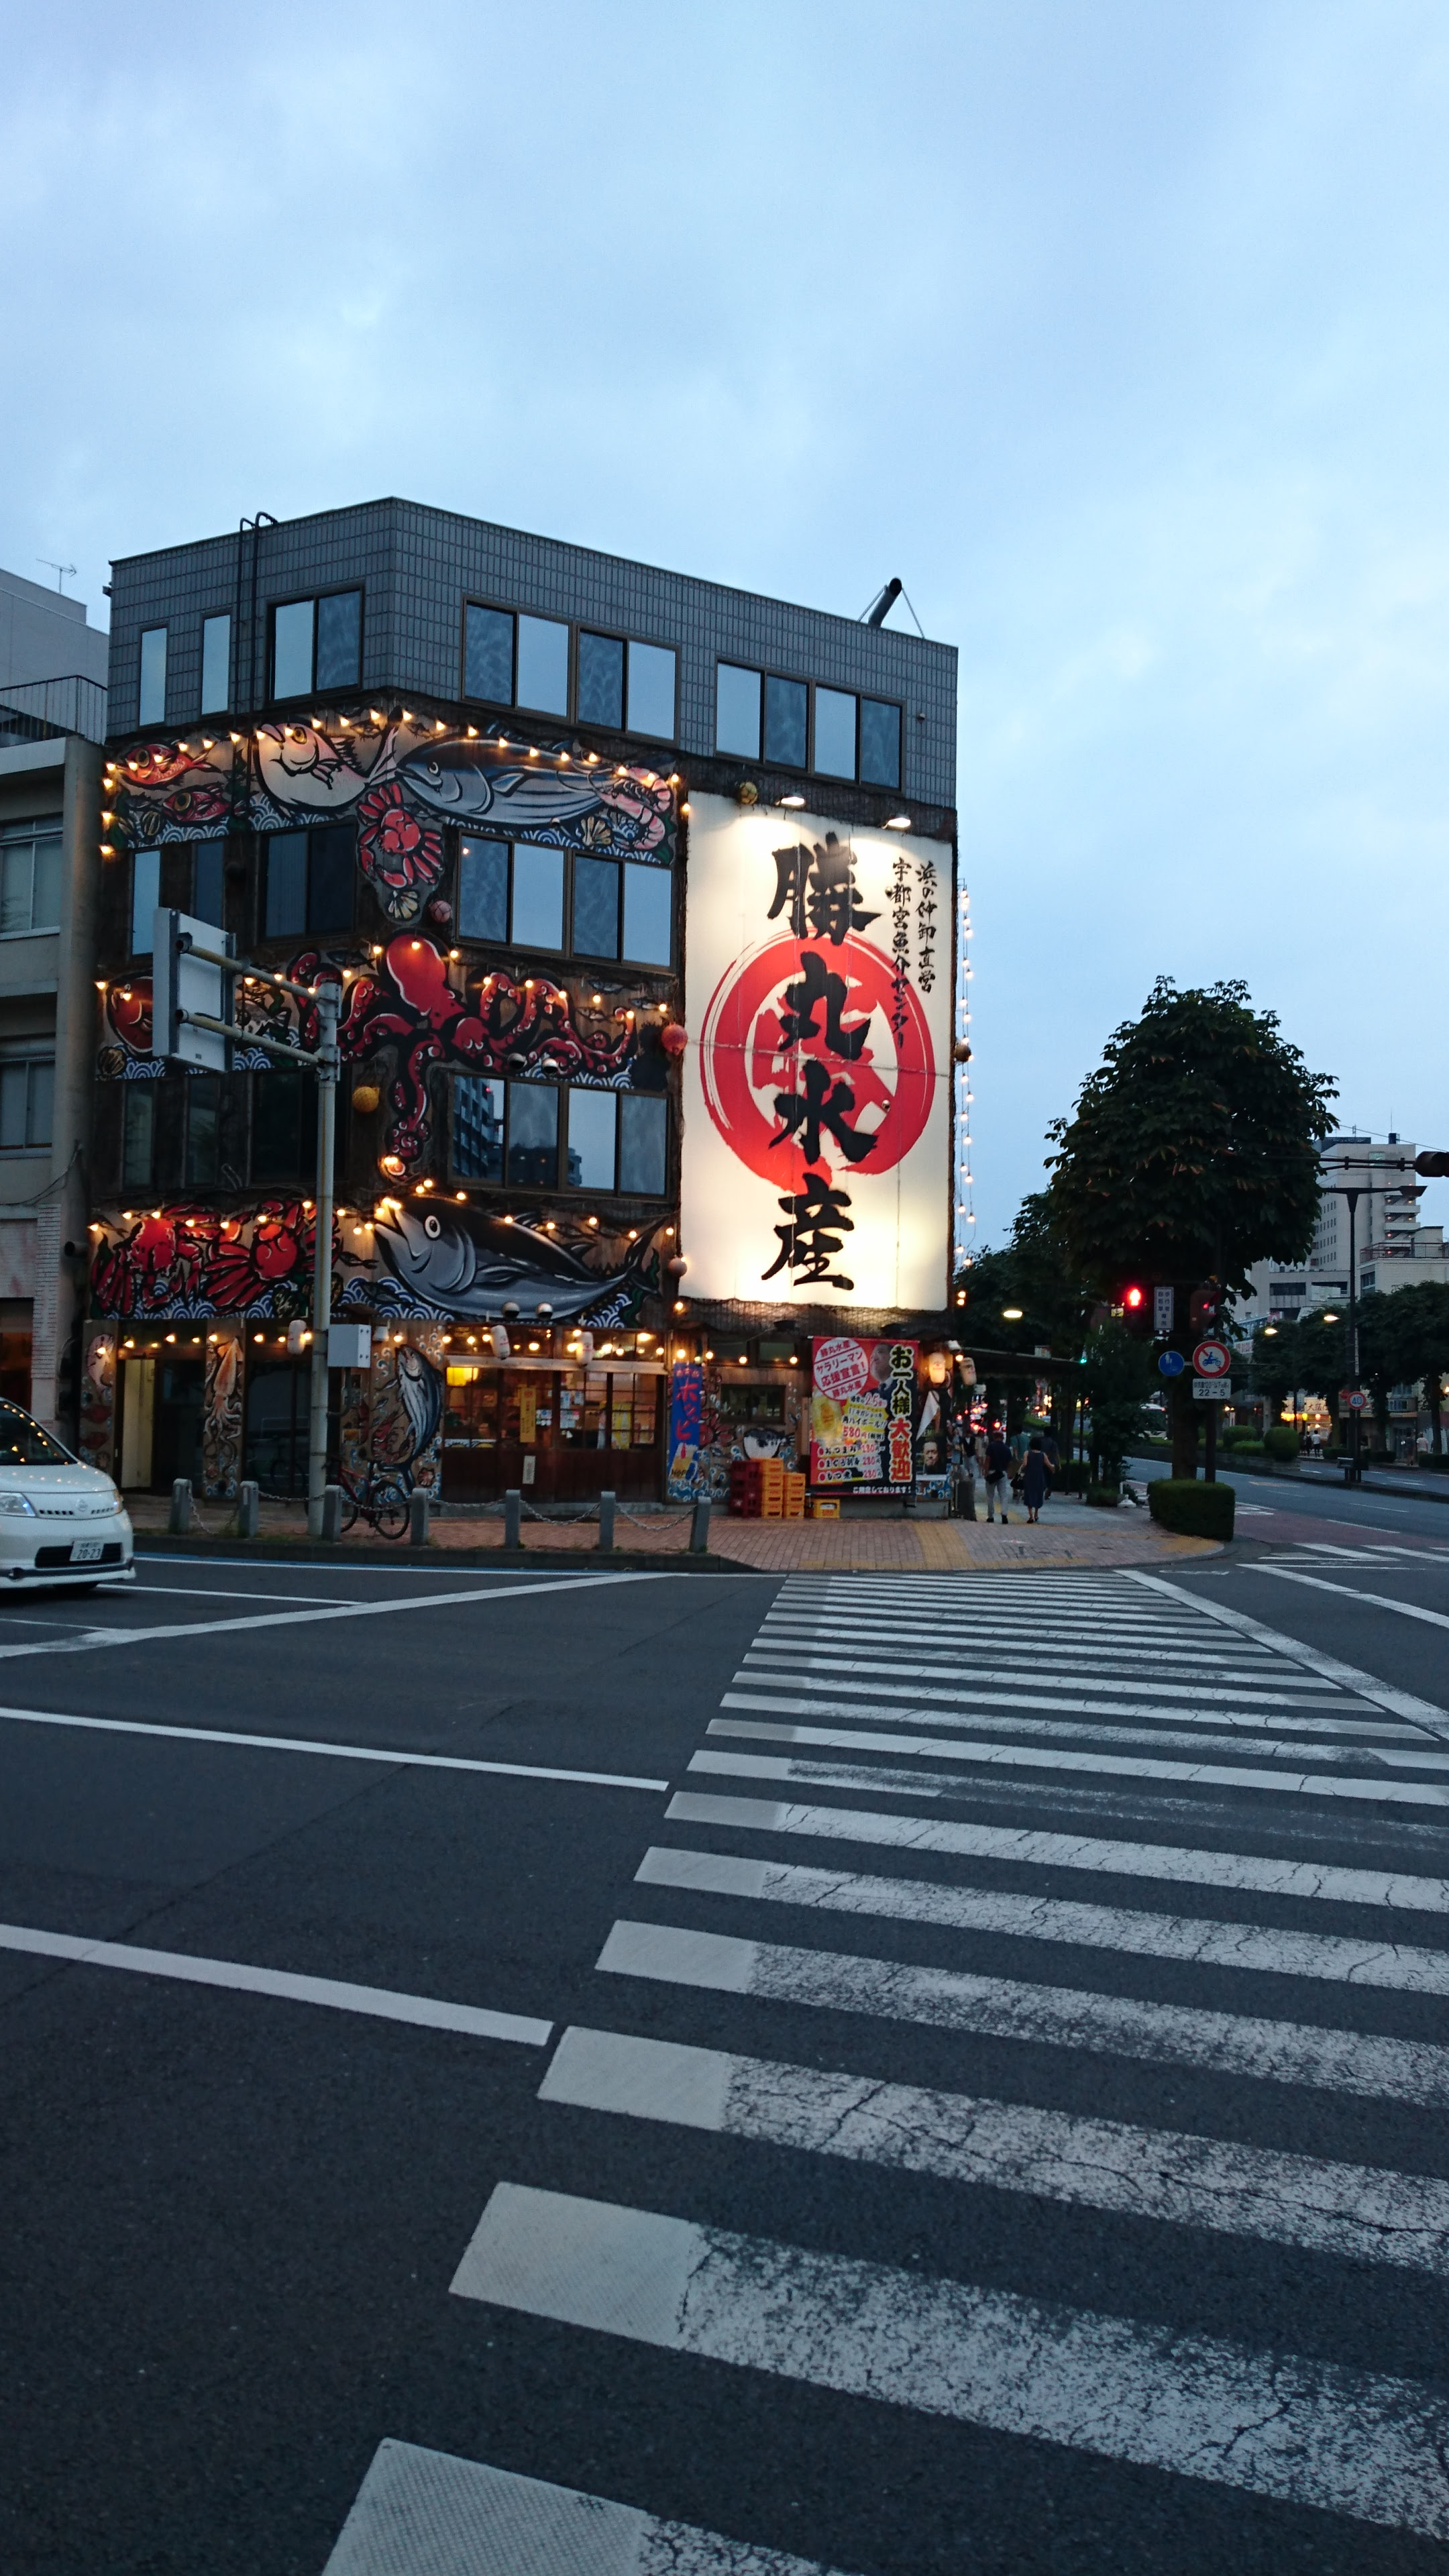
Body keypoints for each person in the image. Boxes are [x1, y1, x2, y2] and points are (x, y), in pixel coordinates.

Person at [983, 1426, 1012, 1523]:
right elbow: (1009, 1463)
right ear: (1002, 1438)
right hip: (1002, 1473)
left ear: (994, 1437)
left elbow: (988, 1460)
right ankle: (1004, 1515)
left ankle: (991, 1516)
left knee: (990, 1496)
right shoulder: (1007, 1448)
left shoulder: (991, 1446)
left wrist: (986, 1472)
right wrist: (1008, 1472)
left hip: (992, 1472)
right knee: (1003, 1495)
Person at [1021, 1434, 1051, 1524]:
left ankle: (1030, 1516)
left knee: (1029, 1494)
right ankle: (1036, 1514)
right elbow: (1049, 1465)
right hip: (1039, 1476)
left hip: (1029, 1476)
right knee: (1038, 1494)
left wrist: (1022, 1469)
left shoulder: (1027, 1453)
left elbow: (1025, 1464)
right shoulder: (1043, 1455)